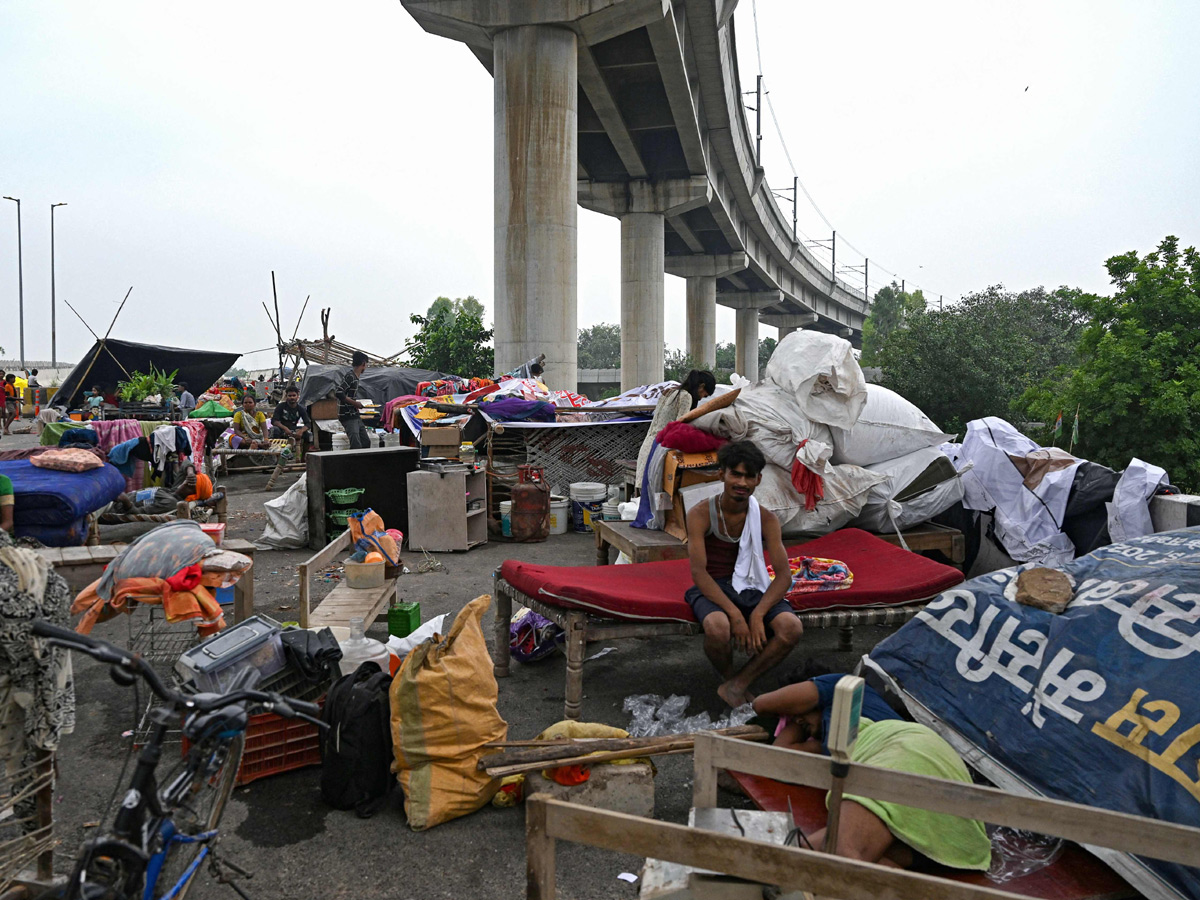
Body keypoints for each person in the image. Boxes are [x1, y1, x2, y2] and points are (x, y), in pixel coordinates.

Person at [752, 674, 991, 871]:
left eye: (797, 715)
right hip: (942, 818)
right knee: (864, 863)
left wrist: (792, 712)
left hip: (906, 750)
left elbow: (761, 704)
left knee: (837, 850)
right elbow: (781, 759)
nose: (797, 722)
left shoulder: (840, 687)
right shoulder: (833, 742)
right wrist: (798, 721)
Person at [685, 440, 802, 707]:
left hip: (752, 588)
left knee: (790, 628)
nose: (742, 482)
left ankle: (738, 684)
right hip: (714, 586)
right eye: (735, 474)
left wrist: (759, 613)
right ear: (721, 474)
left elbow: (784, 576)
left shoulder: (767, 519)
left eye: (749, 476)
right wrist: (737, 616)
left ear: (759, 479)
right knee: (718, 628)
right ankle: (729, 679)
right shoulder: (700, 513)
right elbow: (699, 573)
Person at [635, 369, 717, 486]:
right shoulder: (686, 397)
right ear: (701, 386)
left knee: (642, 490)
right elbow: (680, 429)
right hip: (659, 450)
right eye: (705, 394)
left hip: (647, 446)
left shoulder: (669, 393)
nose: (702, 398)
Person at [335, 351, 371, 450]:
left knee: (365, 441)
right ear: (363, 363)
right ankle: (354, 464)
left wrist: (355, 406)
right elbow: (339, 392)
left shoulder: (355, 377)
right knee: (356, 444)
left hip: (353, 414)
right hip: (347, 415)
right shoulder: (350, 376)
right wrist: (355, 403)